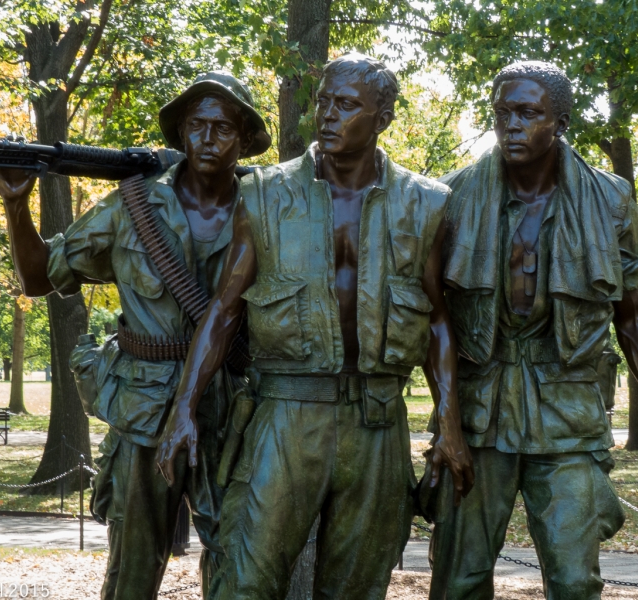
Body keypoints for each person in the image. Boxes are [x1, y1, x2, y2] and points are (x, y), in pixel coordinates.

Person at [156, 53, 475, 600]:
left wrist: (448, 421)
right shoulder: (264, 194)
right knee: (245, 578)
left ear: (383, 117)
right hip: (285, 415)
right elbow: (224, 310)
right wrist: (184, 408)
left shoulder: (425, 203)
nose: (327, 115)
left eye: (346, 105)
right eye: (323, 101)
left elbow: (438, 321)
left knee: (356, 587)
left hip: (377, 420)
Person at [0, 71, 271, 600]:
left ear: (246, 138)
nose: (207, 138)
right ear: (180, 134)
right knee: (132, 575)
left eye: (223, 128)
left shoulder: (269, 211)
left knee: (241, 567)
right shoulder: (132, 208)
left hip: (235, 410)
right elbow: (37, 276)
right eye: (196, 125)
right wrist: (15, 205)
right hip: (144, 412)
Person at [426, 61, 638, 599]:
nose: (511, 126)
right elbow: (433, 320)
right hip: (479, 412)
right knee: (459, 580)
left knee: (576, 581)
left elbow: (632, 316)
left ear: (561, 120)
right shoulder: (448, 197)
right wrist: (447, 424)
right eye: (502, 113)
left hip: (568, 411)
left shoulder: (610, 199)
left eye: (528, 113)